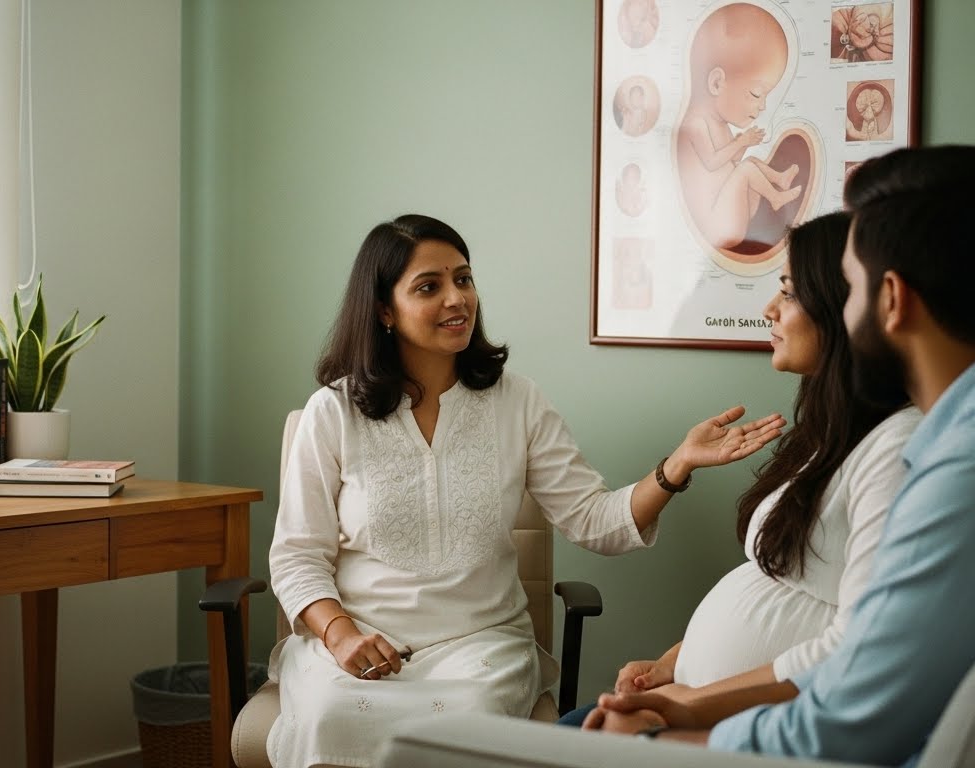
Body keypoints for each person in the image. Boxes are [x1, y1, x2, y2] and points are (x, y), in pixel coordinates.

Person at [589, 145, 975, 765]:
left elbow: (849, 730)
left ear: (892, 300)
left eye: (850, 286)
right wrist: (688, 702)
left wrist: (655, 741)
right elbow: (865, 657)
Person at [266, 213, 786, 768]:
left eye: (463, 279)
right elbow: (297, 556)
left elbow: (594, 519)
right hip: (358, 648)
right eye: (429, 286)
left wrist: (676, 466)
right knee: (328, 716)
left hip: (479, 650)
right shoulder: (334, 412)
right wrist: (340, 634)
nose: (456, 299)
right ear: (383, 310)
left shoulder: (518, 403)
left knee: (467, 723)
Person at [560, 211, 921, 727]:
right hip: (697, 700)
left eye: (789, 292)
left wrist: (681, 707)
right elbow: (773, 582)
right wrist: (672, 664)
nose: (770, 309)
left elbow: (858, 644)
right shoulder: (830, 437)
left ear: (847, 307)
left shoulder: (897, 450)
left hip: (751, 725)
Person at [676, 4, 801, 250]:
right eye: (756, 94)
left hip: (735, 210)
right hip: (719, 225)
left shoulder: (719, 123)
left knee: (749, 164)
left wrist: (743, 146)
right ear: (716, 83)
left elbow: (728, 165)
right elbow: (712, 163)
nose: (763, 106)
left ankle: (779, 180)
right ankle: (775, 197)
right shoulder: (695, 124)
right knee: (745, 169)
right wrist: (741, 142)